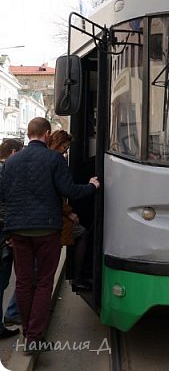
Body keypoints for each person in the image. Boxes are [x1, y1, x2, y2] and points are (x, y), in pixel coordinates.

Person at [0, 118, 100, 353]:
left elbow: (4, 198)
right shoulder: (54, 159)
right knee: (44, 283)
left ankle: (26, 332)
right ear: (46, 134)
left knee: (24, 283)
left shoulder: (12, 162)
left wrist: (8, 230)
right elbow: (69, 191)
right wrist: (92, 186)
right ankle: (34, 338)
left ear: (27, 133)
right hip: (46, 230)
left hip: (19, 231)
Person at [48, 130, 91, 292]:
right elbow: (65, 191)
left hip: (44, 216)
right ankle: (77, 277)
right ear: (58, 144)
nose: (65, 152)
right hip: (55, 216)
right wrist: (91, 186)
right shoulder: (57, 160)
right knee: (82, 234)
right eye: (65, 148)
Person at [0, 139, 23, 339]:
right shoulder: (4, 172)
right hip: (2, 238)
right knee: (1, 282)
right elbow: (4, 207)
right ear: (14, 152)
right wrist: (9, 234)